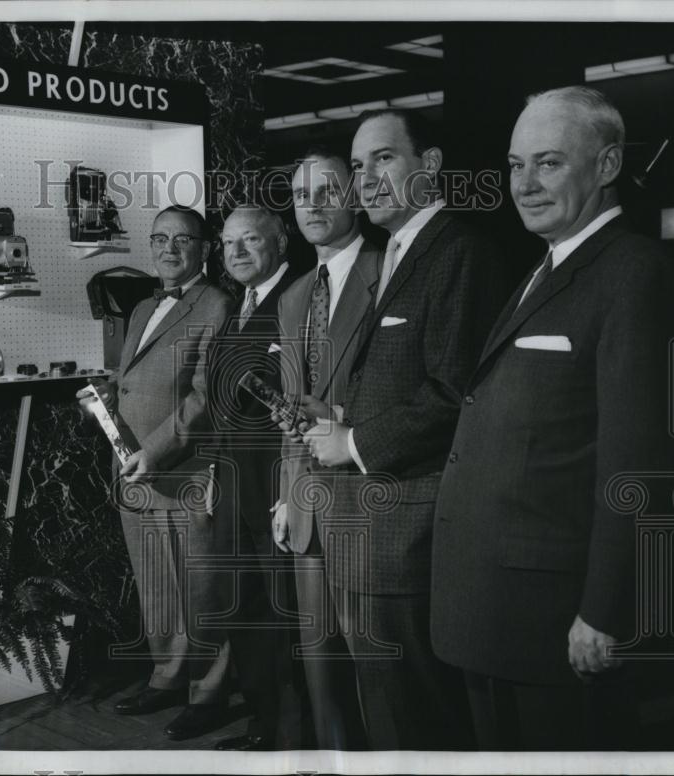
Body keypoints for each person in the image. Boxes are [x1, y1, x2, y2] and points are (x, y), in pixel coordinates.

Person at [430, 86, 674, 749]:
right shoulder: (545, 266)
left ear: (607, 165)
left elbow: (636, 461)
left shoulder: (631, 273)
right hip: (497, 608)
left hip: (556, 623)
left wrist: (606, 610)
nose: (525, 184)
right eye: (514, 165)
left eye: (548, 163)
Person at [289, 109, 506, 749]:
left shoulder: (459, 252)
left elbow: (454, 391)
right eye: (358, 166)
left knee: (415, 717)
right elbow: (405, 380)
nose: (367, 179)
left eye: (383, 158)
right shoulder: (403, 254)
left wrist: (352, 441)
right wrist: (339, 416)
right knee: (388, 710)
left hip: (406, 530)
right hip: (376, 525)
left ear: (429, 165)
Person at [77, 205, 233, 741]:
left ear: (205, 248)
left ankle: (210, 694)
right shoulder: (143, 306)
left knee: (202, 589)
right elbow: (134, 381)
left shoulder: (217, 305)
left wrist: (158, 451)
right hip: (136, 473)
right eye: (160, 238)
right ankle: (166, 677)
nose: (169, 249)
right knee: (157, 588)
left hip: (185, 472)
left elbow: (205, 398)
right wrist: (103, 402)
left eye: (182, 239)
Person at [272, 148, 381, 750]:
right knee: (322, 675)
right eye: (299, 195)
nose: (311, 206)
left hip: (374, 504)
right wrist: (286, 498)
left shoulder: (390, 271)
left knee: (382, 678)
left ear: (356, 196)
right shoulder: (294, 296)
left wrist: (343, 422)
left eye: (326, 191)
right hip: (308, 509)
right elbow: (289, 408)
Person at [206, 205, 302, 751]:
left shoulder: (300, 298)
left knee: (283, 611)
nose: (236, 253)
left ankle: (290, 730)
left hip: (277, 486)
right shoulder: (238, 306)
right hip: (234, 484)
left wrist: (290, 490)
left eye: (250, 241)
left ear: (279, 242)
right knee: (242, 606)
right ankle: (263, 720)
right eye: (227, 244)